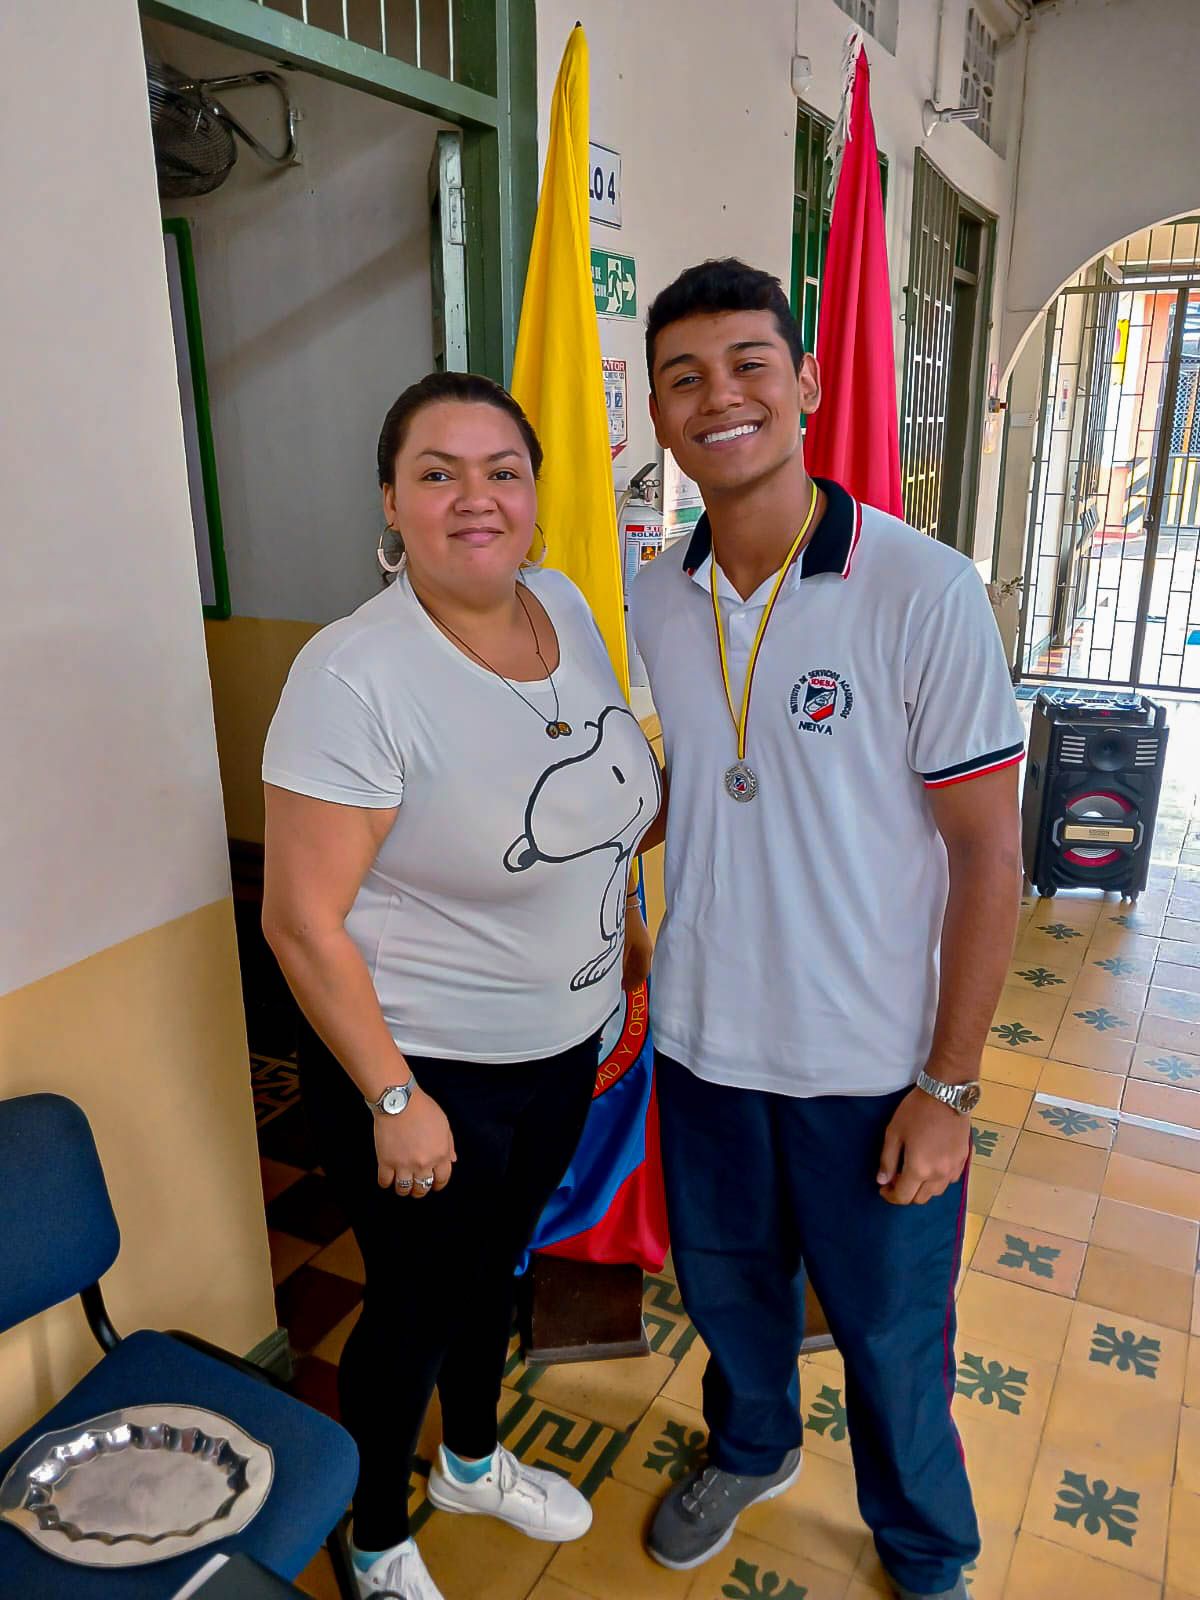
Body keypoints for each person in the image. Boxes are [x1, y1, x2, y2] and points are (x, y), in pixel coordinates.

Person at [628, 260, 1025, 1600]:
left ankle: (924, 1547)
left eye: (748, 365)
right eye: (684, 378)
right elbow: (703, 771)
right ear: (662, 417)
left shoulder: (922, 590)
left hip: (869, 1065)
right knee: (729, 1295)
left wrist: (948, 1086)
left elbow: (987, 858)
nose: (718, 397)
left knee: (892, 1334)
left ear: (806, 386)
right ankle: (751, 1448)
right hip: (703, 1042)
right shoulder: (657, 591)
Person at [261, 371, 660, 1600]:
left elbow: (596, 791)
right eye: (438, 471)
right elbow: (298, 919)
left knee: (501, 1271)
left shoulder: (565, 604)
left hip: (554, 1053)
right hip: (424, 1074)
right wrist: (393, 1098)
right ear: (391, 500)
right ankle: (377, 1532)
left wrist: (624, 942)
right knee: (415, 1307)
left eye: (503, 470)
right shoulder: (353, 674)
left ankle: (475, 1460)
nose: (475, 497)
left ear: (536, 496)